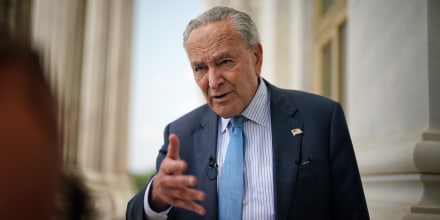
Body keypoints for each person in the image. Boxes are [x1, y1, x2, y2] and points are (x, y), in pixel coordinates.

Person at [127, 6, 369, 220]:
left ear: (256, 58)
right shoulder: (180, 135)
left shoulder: (322, 119)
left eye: (225, 62)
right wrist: (156, 196)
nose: (213, 81)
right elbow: (134, 213)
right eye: (200, 68)